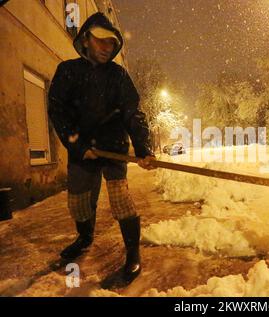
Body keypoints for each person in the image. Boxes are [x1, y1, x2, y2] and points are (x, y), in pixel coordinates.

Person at [48, 12, 155, 282]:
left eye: (112, 43)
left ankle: (132, 252)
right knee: (79, 204)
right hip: (81, 150)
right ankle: (84, 239)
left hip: (113, 148)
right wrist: (78, 145)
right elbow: (58, 112)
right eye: (101, 41)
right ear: (86, 39)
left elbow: (133, 113)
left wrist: (143, 148)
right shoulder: (67, 71)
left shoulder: (118, 76)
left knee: (121, 201)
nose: (108, 47)